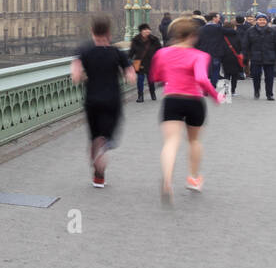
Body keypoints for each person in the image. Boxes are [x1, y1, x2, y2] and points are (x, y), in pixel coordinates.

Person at [149, 16, 221, 203]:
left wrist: (171, 74)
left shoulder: (162, 53)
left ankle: (167, 180)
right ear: (193, 36)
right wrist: (215, 96)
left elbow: (156, 76)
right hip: (194, 101)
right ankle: (193, 178)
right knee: (194, 141)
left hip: (172, 98)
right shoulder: (200, 56)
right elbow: (202, 79)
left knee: (171, 142)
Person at [71, 14, 134, 188]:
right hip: (112, 100)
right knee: (104, 137)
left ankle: (97, 171)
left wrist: (84, 76)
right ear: (109, 33)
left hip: (92, 100)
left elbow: (75, 76)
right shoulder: (117, 53)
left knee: (94, 137)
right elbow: (131, 77)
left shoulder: (84, 52)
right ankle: (102, 152)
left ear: (92, 32)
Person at [244, 14, 276, 100]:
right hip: (255, 57)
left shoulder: (272, 31)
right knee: (256, 76)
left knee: (269, 77)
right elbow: (246, 45)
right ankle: (256, 91)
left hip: (270, 57)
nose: (262, 21)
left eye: (264, 20)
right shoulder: (250, 31)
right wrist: (246, 57)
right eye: (260, 20)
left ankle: (269, 94)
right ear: (256, 21)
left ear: (267, 21)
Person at [196, 13, 229, 89]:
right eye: (218, 18)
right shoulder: (218, 28)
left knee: (205, 70)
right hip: (216, 52)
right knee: (215, 69)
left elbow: (198, 41)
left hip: (204, 52)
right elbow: (230, 32)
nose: (219, 19)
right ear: (214, 18)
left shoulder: (201, 29)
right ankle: (212, 85)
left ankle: (205, 86)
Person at [129, 23, 161, 102]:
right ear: (141, 31)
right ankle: (140, 96)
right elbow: (132, 52)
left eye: (148, 29)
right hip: (139, 62)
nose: (148, 31)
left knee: (150, 79)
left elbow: (160, 50)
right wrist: (128, 61)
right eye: (145, 29)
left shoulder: (154, 39)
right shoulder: (135, 40)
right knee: (140, 79)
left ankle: (152, 93)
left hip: (151, 62)